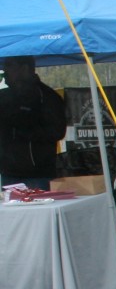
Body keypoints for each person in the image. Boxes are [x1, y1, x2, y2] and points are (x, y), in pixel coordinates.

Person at [0, 56, 66, 189]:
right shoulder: (3, 96)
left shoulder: (47, 97)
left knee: (40, 209)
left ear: (24, 68)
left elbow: (57, 131)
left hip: (38, 174)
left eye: (9, 65)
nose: (4, 70)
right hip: (8, 172)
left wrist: (25, 132)